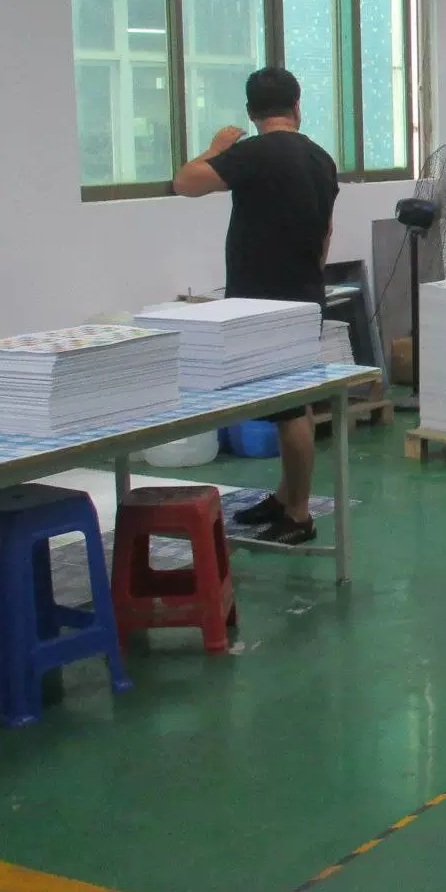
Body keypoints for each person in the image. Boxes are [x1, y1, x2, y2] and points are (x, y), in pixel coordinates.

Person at [173, 66, 339, 546]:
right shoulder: (320, 158)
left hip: (262, 302)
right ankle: (286, 496)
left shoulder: (252, 154)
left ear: (251, 112)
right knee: (291, 404)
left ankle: (299, 515)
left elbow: (185, 182)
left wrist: (217, 147)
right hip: (305, 292)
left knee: (289, 410)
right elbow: (325, 232)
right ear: (297, 106)